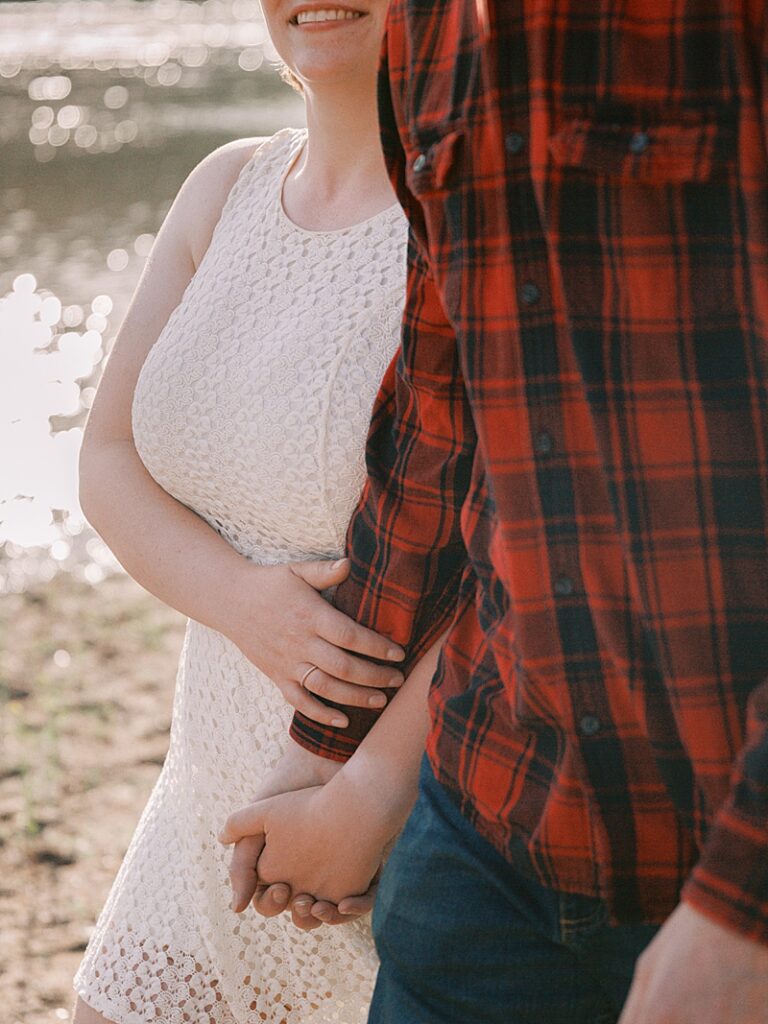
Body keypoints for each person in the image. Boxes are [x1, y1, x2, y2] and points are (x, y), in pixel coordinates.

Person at [219, 1, 768, 1022]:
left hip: (722, 843)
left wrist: (745, 908)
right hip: (485, 837)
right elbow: (436, 422)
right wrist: (322, 751)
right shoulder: (436, 30)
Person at [68, 1, 440, 1021]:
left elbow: (522, 549)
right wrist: (242, 601)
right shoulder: (223, 185)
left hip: (397, 806)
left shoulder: (470, 210)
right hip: (209, 792)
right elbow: (106, 460)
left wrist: (367, 798)